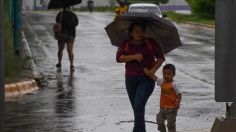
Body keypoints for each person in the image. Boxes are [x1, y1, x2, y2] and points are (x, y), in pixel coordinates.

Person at [116, 22, 165, 132]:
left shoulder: (150, 43)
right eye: (136, 31)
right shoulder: (125, 44)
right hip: (130, 80)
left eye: (141, 31)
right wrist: (133, 57)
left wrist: (152, 70)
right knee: (137, 108)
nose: (139, 33)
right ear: (131, 33)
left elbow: (161, 57)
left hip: (146, 80)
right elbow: (119, 58)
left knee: (138, 105)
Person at [146, 64, 182, 132]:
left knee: (171, 124)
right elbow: (154, 77)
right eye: (164, 74)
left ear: (173, 74)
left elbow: (179, 94)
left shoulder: (174, 84)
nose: (166, 75)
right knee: (159, 121)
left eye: (169, 74)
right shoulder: (162, 82)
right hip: (162, 108)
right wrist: (146, 71)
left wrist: (178, 103)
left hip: (172, 108)